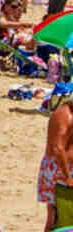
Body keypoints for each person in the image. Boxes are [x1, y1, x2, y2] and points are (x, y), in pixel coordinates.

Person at [42, 88, 73, 230]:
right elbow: (57, 149)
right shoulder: (64, 115)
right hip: (60, 172)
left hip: (66, 171)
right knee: (56, 217)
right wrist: (67, 177)